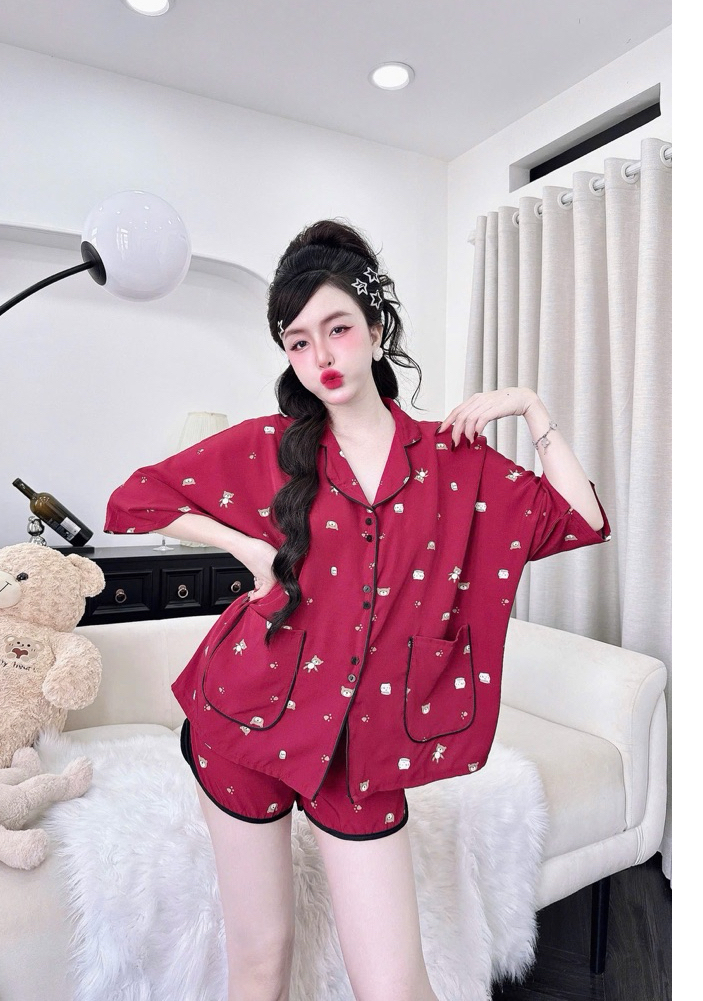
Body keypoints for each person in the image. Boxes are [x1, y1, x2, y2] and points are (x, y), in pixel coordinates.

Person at [105, 219, 610, 1001]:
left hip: (365, 745)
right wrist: (244, 549)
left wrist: (532, 409)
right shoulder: (270, 446)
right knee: (262, 960)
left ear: (376, 330)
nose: (321, 356)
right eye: (298, 341)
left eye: (337, 329)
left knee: (396, 984)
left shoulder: (455, 460)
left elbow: (581, 520)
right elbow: (134, 499)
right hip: (242, 718)